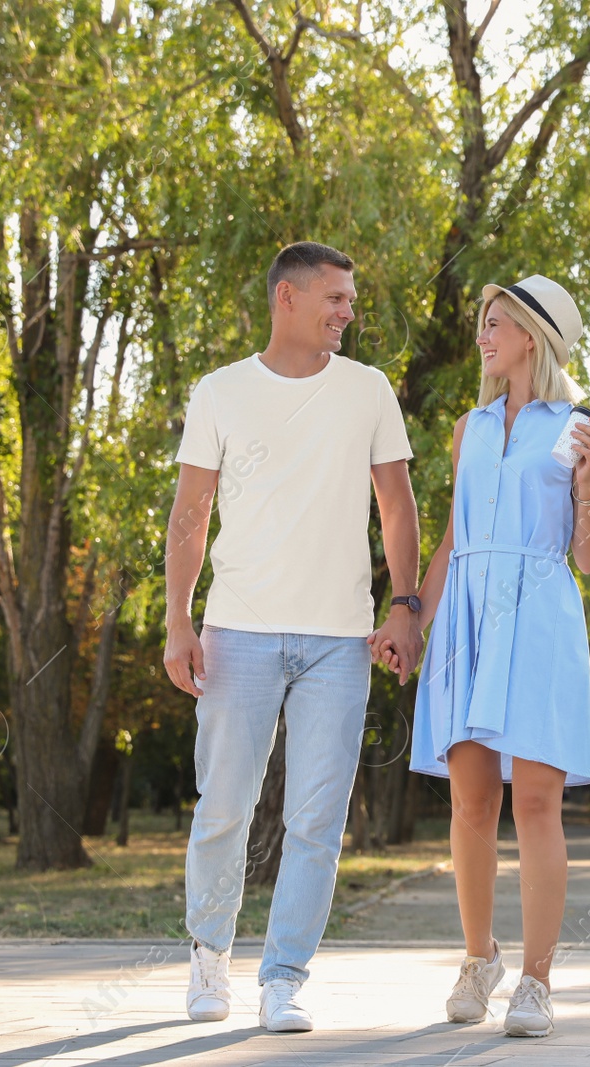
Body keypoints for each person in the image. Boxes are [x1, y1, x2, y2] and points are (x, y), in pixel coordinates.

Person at [163, 241, 423, 1032]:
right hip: (237, 631)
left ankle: (284, 978)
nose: (348, 312)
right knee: (225, 809)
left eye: (350, 299)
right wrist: (178, 618)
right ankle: (210, 959)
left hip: (339, 642)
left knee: (316, 819)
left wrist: (404, 604)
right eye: (336, 299)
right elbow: (190, 513)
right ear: (288, 298)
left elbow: (399, 507)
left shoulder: (370, 390)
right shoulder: (221, 391)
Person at [372, 274, 590, 1038]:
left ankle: (538, 981)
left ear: (532, 336)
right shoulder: (468, 426)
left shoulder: (578, 426)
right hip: (468, 614)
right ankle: (480, 957)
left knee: (537, 803)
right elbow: (450, 539)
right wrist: (409, 613)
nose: (482, 332)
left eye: (496, 321)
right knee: (471, 802)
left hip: (538, 614)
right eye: (481, 319)